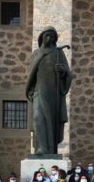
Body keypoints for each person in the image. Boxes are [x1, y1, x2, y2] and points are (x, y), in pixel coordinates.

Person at [26, 26, 72, 155]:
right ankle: (40, 147)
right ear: (42, 37)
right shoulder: (36, 53)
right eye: (47, 35)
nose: (49, 38)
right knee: (37, 117)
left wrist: (62, 71)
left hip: (53, 92)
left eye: (52, 36)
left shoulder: (58, 53)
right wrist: (30, 89)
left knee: (51, 121)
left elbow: (68, 73)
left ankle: (50, 149)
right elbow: (31, 74)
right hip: (38, 91)